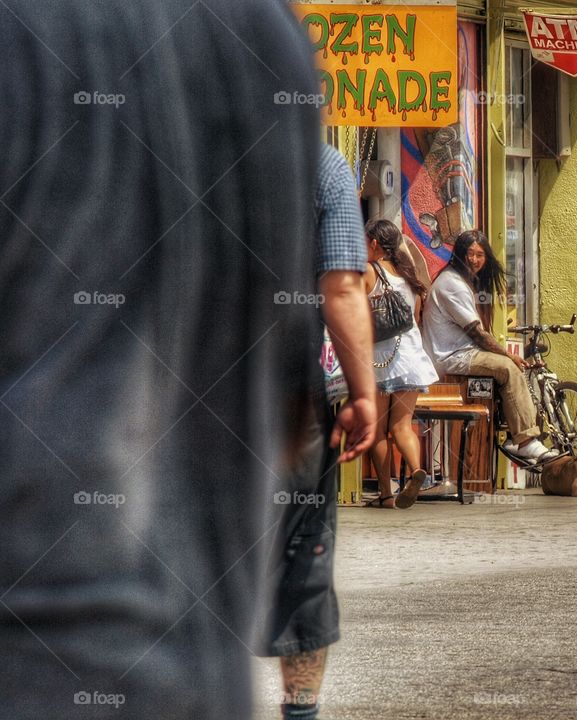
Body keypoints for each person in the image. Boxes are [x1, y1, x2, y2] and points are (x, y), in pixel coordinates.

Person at [0, 1, 362, 718]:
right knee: (305, 566)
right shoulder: (263, 36)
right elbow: (293, 372)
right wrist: (363, 391)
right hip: (191, 675)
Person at [257, 143, 376, 720]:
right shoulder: (317, 162)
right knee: (302, 553)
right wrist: (363, 394)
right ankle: (299, 712)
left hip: (158, 390)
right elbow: (342, 288)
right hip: (285, 396)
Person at [422, 230, 558, 463]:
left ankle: (511, 434)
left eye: (479, 255)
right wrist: (508, 355)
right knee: (507, 367)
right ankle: (525, 441)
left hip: (463, 353)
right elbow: (476, 332)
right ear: (459, 255)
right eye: (469, 254)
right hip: (451, 357)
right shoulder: (451, 284)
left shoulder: (464, 282)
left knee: (507, 368)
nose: (474, 260)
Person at [363, 219, 439, 508]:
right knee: (402, 427)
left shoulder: (370, 272)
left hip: (380, 362)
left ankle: (385, 494)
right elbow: (416, 320)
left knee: (378, 430)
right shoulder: (410, 277)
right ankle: (416, 469)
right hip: (410, 358)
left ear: (374, 244)